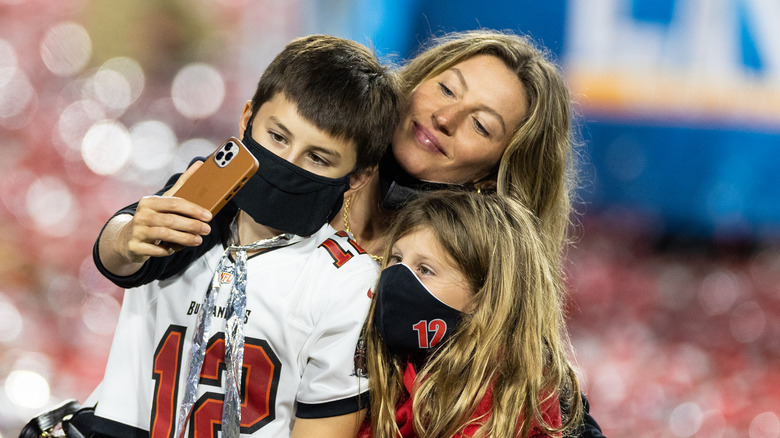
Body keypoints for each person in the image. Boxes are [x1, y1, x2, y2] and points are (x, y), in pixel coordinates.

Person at [94, 30, 605, 437]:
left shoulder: (472, 277)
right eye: (447, 89)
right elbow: (134, 248)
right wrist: (123, 234)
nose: (446, 117)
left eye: (481, 126)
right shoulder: (267, 180)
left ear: (491, 173)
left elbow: (549, 406)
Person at [88, 34, 401, 437]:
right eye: (278, 137)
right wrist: (128, 233)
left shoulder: (347, 280)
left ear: (357, 177)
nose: (288, 163)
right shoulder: (195, 202)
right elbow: (118, 255)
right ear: (247, 118)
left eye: (318, 157)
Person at [357, 190, 582, 438]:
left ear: (485, 295)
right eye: (396, 258)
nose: (397, 278)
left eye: (425, 269)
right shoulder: (389, 359)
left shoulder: (506, 391)